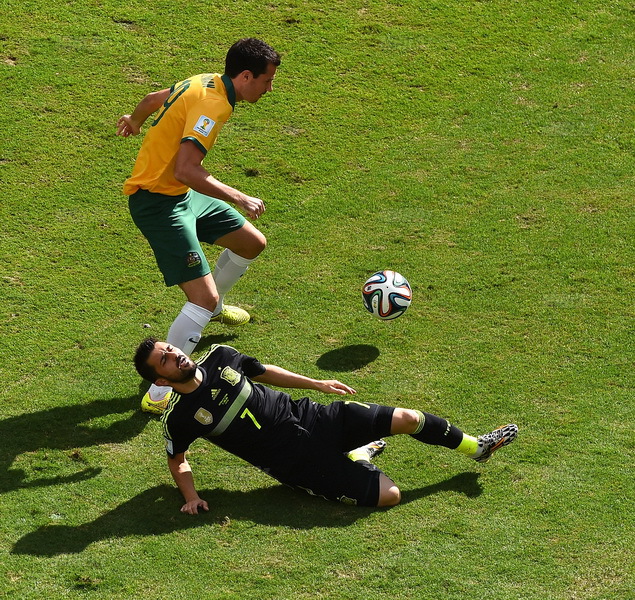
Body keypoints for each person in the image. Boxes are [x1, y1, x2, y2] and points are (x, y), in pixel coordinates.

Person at [133, 338, 519, 511]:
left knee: (407, 418)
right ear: (161, 381)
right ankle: (360, 457)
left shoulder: (221, 357)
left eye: (171, 349)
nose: (175, 356)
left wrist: (316, 383)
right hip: (296, 462)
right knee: (390, 496)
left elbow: (264, 372)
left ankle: (477, 448)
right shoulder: (180, 418)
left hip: (315, 417)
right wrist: (190, 497)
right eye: (165, 361)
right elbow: (177, 459)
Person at [117, 38, 281, 415]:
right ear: (245, 76)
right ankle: (158, 391)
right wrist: (238, 197)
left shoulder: (205, 81)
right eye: (267, 81)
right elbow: (186, 169)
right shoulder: (214, 104)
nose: (270, 89)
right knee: (200, 299)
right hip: (158, 203)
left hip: (180, 196)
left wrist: (134, 120)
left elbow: (152, 97)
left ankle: (216, 304)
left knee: (251, 243)